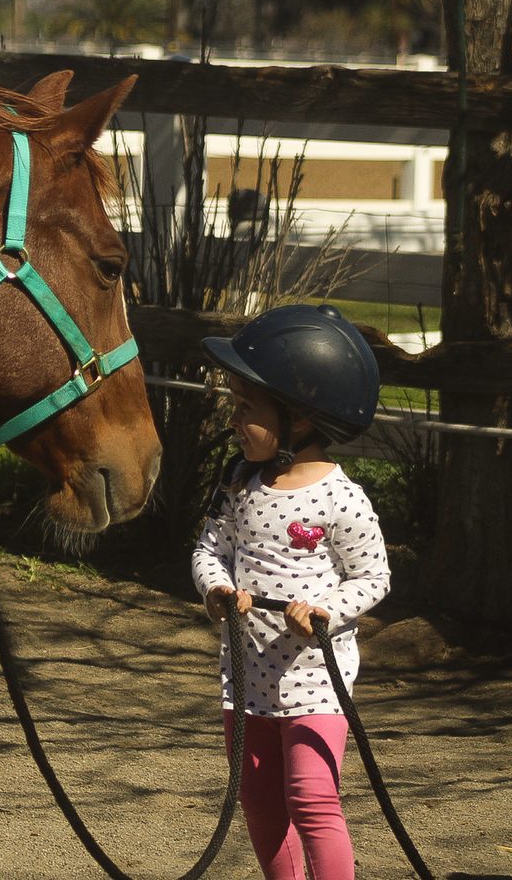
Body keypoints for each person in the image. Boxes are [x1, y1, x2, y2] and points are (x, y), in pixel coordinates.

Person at [191, 303, 391, 880]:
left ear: (299, 418)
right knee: (256, 801)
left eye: (245, 407)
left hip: (315, 682)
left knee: (312, 800)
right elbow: (210, 551)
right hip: (247, 676)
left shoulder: (342, 500)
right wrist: (219, 591)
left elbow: (374, 577)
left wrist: (326, 611)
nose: (233, 421)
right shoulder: (238, 483)